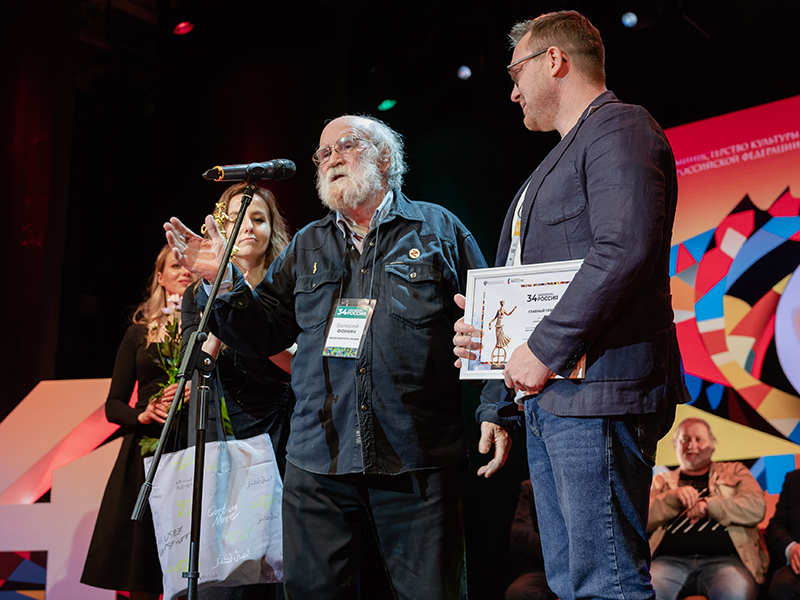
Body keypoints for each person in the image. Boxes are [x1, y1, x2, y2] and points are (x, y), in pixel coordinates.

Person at [164, 114, 492, 599]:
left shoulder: (437, 229)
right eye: (322, 153)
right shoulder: (308, 244)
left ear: (385, 157)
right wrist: (225, 282)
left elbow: (489, 323)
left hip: (417, 456)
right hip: (318, 463)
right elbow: (263, 332)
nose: (331, 158)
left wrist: (495, 408)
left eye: (345, 146)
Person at [453, 10, 689, 600]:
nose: (512, 92)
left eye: (516, 73)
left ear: (553, 60)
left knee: (604, 583)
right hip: (555, 399)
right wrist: (495, 387)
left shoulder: (620, 127)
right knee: (571, 584)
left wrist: (541, 349)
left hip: (598, 394)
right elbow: (520, 288)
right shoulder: (553, 163)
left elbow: (624, 247)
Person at [180, 182, 294, 600]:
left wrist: (245, 315)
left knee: (271, 570)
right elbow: (195, 365)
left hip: (276, 435)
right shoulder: (197, 292)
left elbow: (297, 365)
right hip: (217, 433)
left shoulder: (285, 286)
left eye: (259, 220)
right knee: (220, 574)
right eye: (238, 220)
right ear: (220, 229)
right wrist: (220, 295)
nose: (249, 228)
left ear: (271, 230)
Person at [82, 245, 192, 600]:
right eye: (175, 265)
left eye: (189, 265)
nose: (184, 271)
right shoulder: (139, 333)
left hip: (189, 447)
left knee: (187, 563)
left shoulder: (209, 331)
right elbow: (113, 405)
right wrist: (141, 414)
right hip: (144, 454)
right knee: (139, 566)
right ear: (160, 277)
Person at [647, 417, 768, 599]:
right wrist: (672, 498)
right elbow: (640, 521)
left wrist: (709, 505)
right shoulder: (660, 481)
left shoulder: (736, 471)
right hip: (667, 562)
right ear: (676, 445)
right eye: (685, 439)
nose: (691, 445)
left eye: (699, 439)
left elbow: (757, 507)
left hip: (726, 561)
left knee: (736, 594)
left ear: (712, 445)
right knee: (645, 592)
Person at [505, 479, 557, 600]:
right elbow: (519, 536)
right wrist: (558, 549)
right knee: (519, 592)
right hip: (547, 568)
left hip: (588, 564)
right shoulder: (532, 487)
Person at [765, 468, 800, 599]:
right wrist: (792, 548)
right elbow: (776, 526)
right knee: (782, 586)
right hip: (798, 566)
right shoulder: (795, 479)